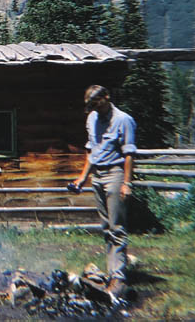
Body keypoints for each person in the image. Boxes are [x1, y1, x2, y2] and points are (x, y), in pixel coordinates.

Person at [68, 85, 136, 298]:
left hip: (115, 174)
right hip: (97, 175)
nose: (94, 108)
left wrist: (127, 183)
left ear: (106, 97)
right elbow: (91, 151)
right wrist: (82, 178)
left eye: (96, 103)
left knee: (117, 226)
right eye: (90, 105)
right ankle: (112, 271)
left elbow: (129, 154)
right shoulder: (92, 119)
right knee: (106, 227)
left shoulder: (123, 120)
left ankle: (118, 276)